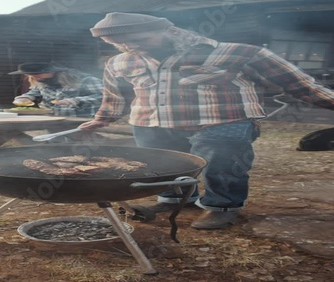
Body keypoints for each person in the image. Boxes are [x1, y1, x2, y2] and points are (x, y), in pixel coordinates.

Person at [79, 12, 334, 230]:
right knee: (163, 166)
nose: (130, 47)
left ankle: (222, 206)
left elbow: (302, 86)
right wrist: (97, 122)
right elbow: (114, 97)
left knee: (221, 165)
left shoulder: (240, 52)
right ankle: (173, 200)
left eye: (139, 40)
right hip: (150, 122)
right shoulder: (118, 62)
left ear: (169, 31)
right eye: (119, 43)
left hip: (222, 121)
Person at [9, 62, 103, 117]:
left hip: (81, 117)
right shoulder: (40, 80)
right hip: (52, 117)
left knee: (80, 142)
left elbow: (104, 97)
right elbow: (35, 92)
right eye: (30, 75)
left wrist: (75, 100)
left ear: (52, 72)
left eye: (37, 74)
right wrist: (26, 97)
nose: (34, 77)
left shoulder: (86, 80)